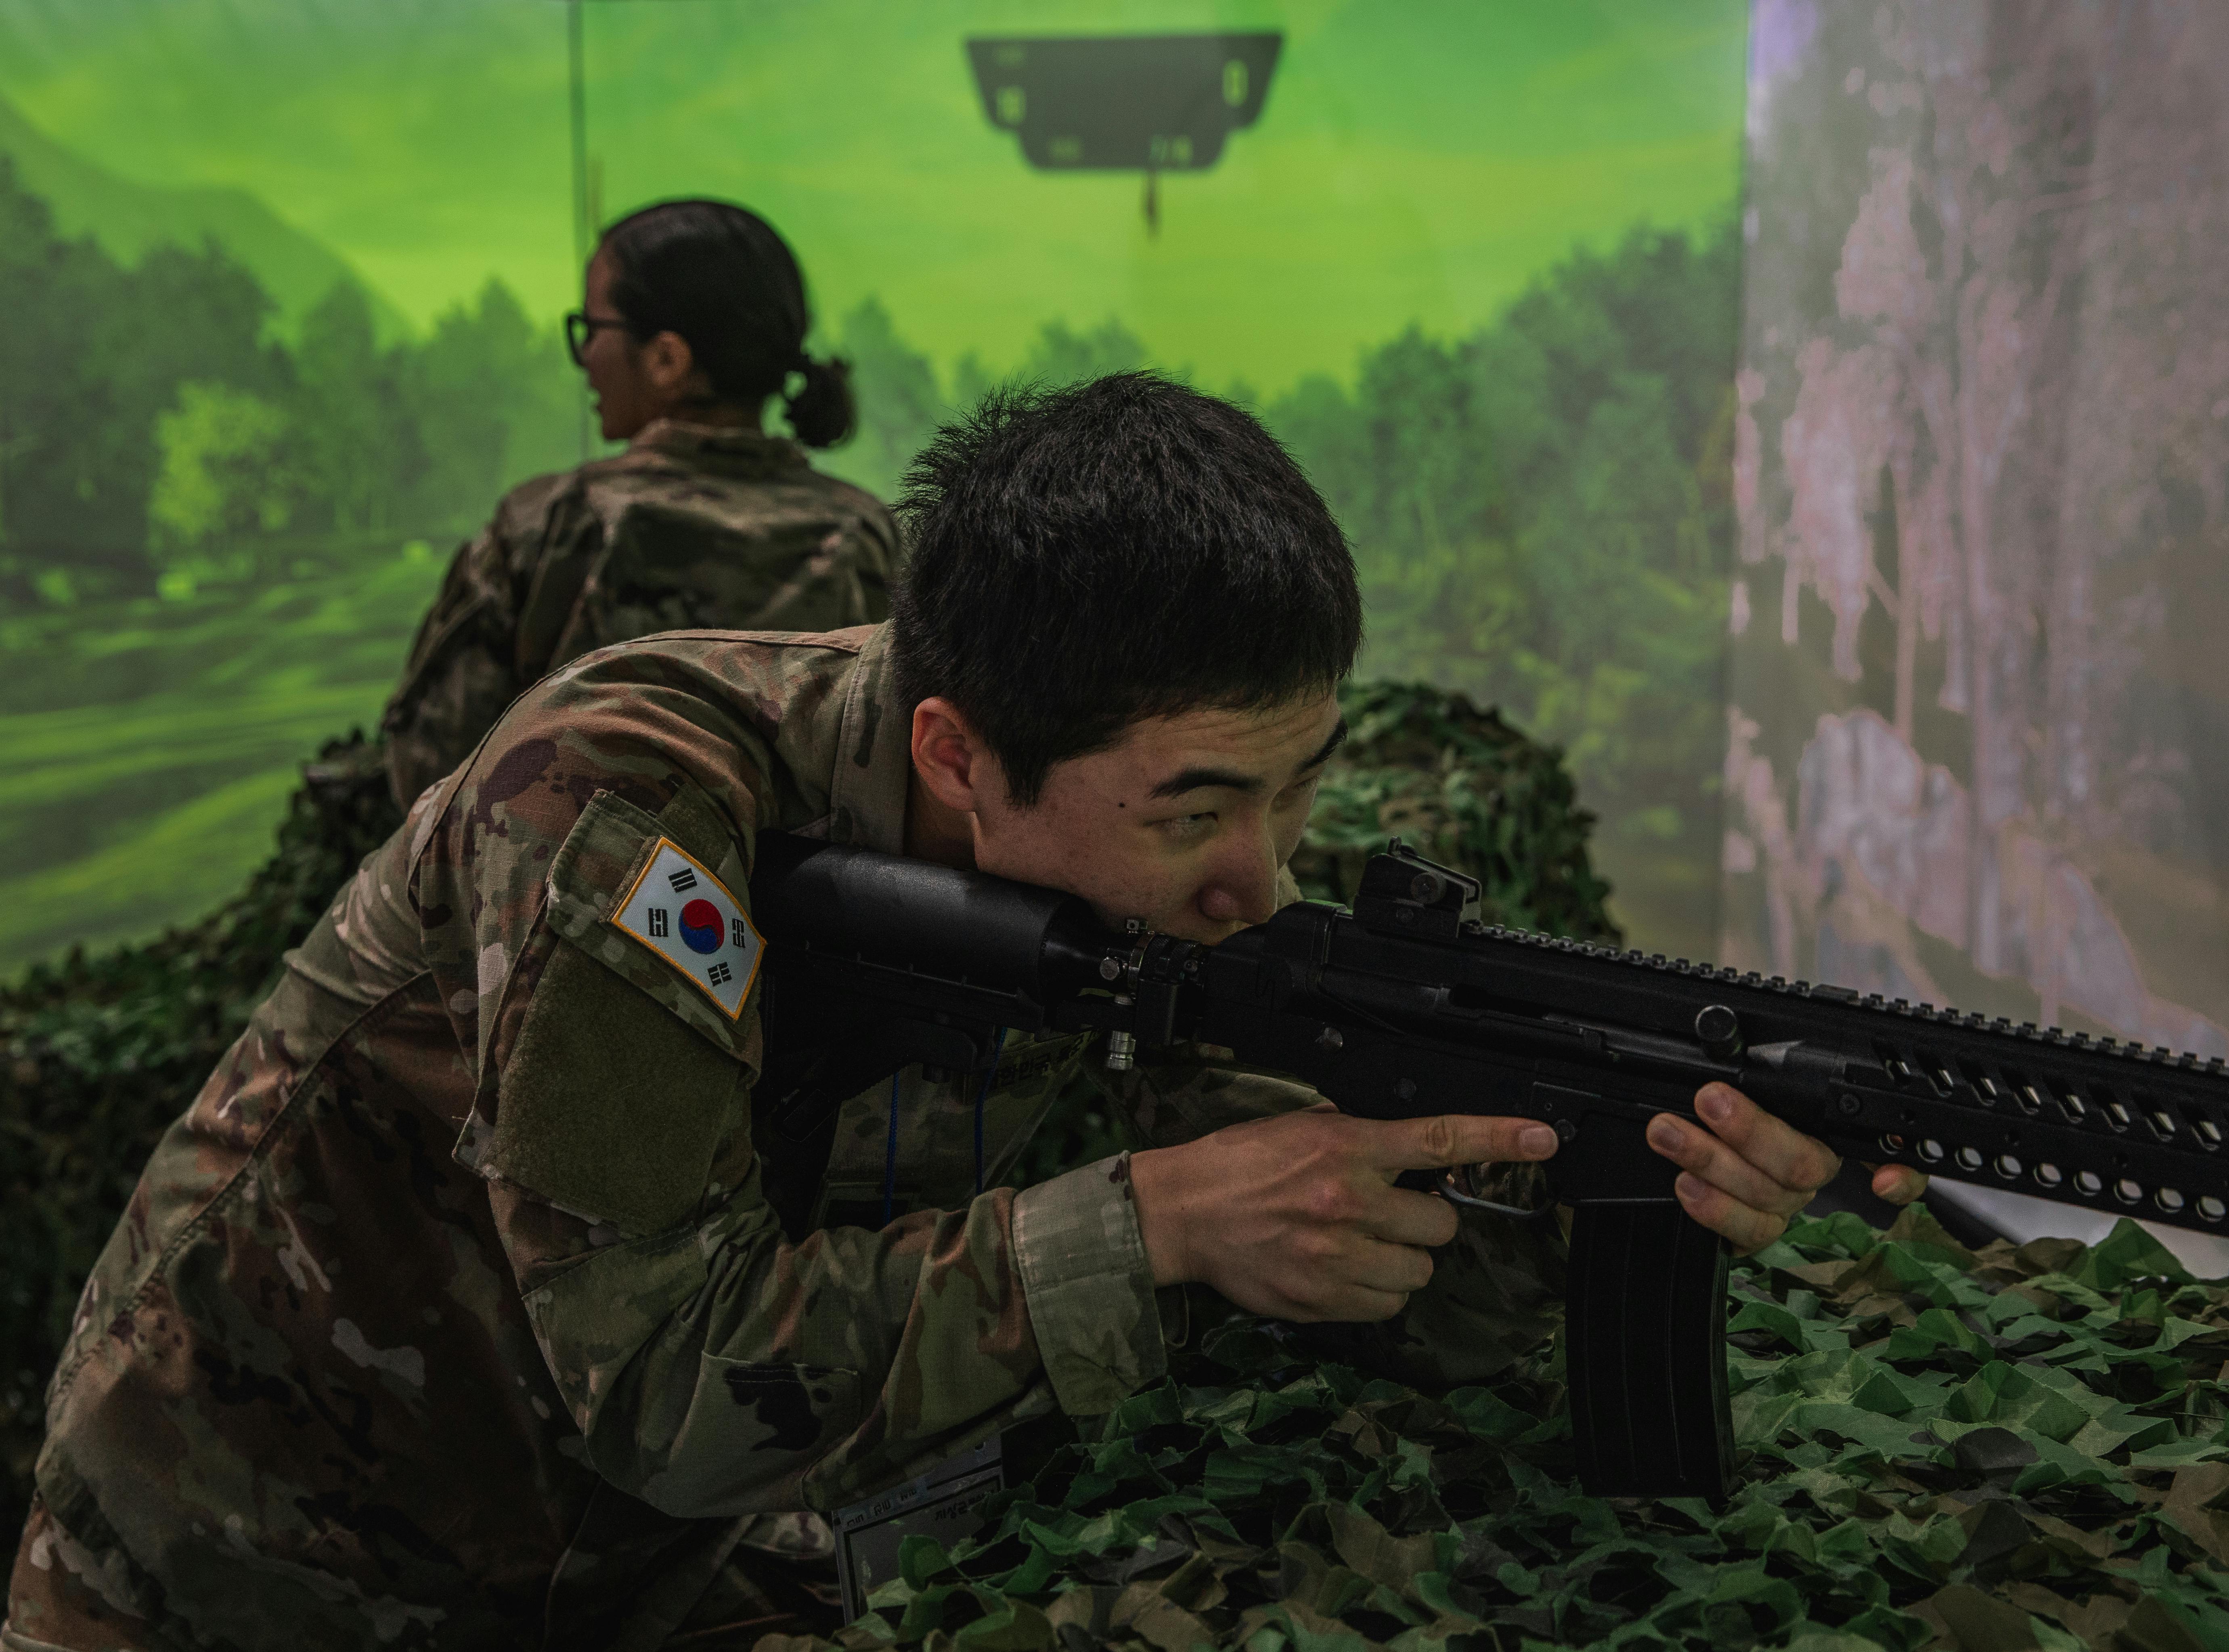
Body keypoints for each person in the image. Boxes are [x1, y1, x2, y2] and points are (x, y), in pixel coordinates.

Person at [4, 375, 1926, 1651]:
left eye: (1300, 783)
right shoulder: (620, 812)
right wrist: (1165, 1218)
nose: (1263, 867)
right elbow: (673, 1387)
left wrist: (1599, 1177)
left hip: (635, 1570)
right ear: (955, 749)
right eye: (1196, 803)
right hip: (254, 1559)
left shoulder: (1093, 859)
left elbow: (1363, 1254)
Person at [378, 197, 903, 814]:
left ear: (666, 360)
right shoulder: (872, 536)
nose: (586, 362)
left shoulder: (546, 525)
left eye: (591, 330)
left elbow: (429, 774)